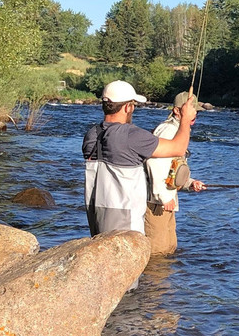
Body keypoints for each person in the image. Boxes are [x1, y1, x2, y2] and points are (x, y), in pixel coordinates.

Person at [82, 80, 197, 237]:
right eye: (133, 104)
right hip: (125, 221)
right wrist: (185, 119)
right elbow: (179, 148)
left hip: (96, 215)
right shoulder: (132, 136)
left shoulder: (91, 134)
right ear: (128, 107)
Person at [144, 91, 206, 255]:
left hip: (165, 201)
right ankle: (153, 281)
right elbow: (153, 162)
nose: (194, 116)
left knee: (169, 249)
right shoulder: (168, 130)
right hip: (157, 202)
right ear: (177, 111)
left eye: (196, 112)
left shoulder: (178, 130)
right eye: (190, 111)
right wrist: (163, 196)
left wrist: (189, 182)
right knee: (157, 252)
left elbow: (172, 167)